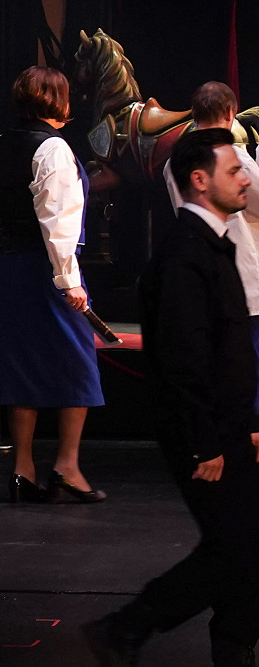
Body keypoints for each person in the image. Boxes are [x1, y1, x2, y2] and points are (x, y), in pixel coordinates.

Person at [84, 128, 259, 666]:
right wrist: (205, 441)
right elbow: (183, 358)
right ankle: (126, 628)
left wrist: (248, 420)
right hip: (203, 434)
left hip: (225, 427)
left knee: (244, 557)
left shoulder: (212, 243)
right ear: (199, 180)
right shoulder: (184, 254)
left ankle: (228, 648)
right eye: (233, 170)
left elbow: (225, 347)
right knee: (233, 555)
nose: (245, 179)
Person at [165, 82, 259, 479]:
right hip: (239, 275)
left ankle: (208, 445)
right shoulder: (232, 157)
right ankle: (238, 446)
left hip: (197, 268)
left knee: (206, 358)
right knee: (245, 362)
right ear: (230, 114)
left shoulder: (175, 159)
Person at [0, 66, 106, 504]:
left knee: (21, 364)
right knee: (79, 362)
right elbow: (57, 219)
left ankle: (22, 469)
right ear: (58, 101)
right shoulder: (53, 148)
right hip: (45, 270)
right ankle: (67, 466)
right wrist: (69, 280)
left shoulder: (6, 141)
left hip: (10, 268)